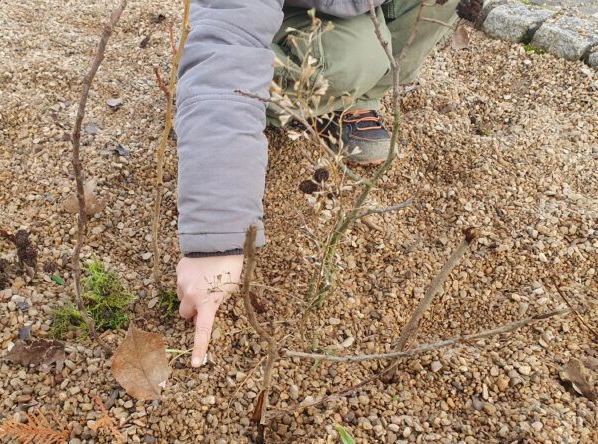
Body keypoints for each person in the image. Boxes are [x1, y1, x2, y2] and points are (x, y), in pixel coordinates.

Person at [174, 0, 459, 367]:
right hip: (247, 28)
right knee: (359, 52)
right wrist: (217, 240)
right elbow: (226, 52)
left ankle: (352, 101)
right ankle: (223, 88)